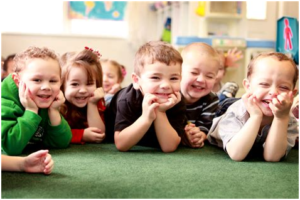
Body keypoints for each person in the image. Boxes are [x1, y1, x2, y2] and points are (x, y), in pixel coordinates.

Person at [207, 52, 299, 162]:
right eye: (264, 84)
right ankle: (227, 93)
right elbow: (236, 154)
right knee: (221, 100)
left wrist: (281, 118)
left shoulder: (287, 118)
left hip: (257, 102)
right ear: (248, 86)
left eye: (284, 87)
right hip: (224, 108)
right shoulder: (235, 112)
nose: (274, 92)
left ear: (292, 94)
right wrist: (255, 116)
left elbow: (272, 157)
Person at [105, 41, 186, 152]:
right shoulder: (127, 99)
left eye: (173, 78)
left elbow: (169, 147)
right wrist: (146, 118)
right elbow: (121, 144)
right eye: (155, 77)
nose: (166, 85)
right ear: (136, 80)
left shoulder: (176, 99)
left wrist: (160, 112)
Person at [1, 46, 72, 155]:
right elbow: (10, 147)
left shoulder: (49, 99)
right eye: (37, 80)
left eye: (53, 81)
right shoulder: (5, 100)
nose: (46, 87)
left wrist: (54, 111)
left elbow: (62, 143)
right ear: (17, 81)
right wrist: (31, 110)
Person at [60, 47, 106, 144]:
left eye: (89, 84)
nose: (83, 90)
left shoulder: (95, 101)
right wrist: (81, 135)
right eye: (75, 84)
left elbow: (99, 134)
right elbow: (53, 135)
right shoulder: (58, 105)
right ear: (62, 86)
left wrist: (92, 104)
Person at [180, 42, 221, 148]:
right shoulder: (171, 96)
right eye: (194, 73)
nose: (201, 80)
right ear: (179, 72)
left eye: (209, 76)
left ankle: (226, 94)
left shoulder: (211, 100)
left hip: (219, 104)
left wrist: (200, 135)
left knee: (225, 105)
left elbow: (206, 125)